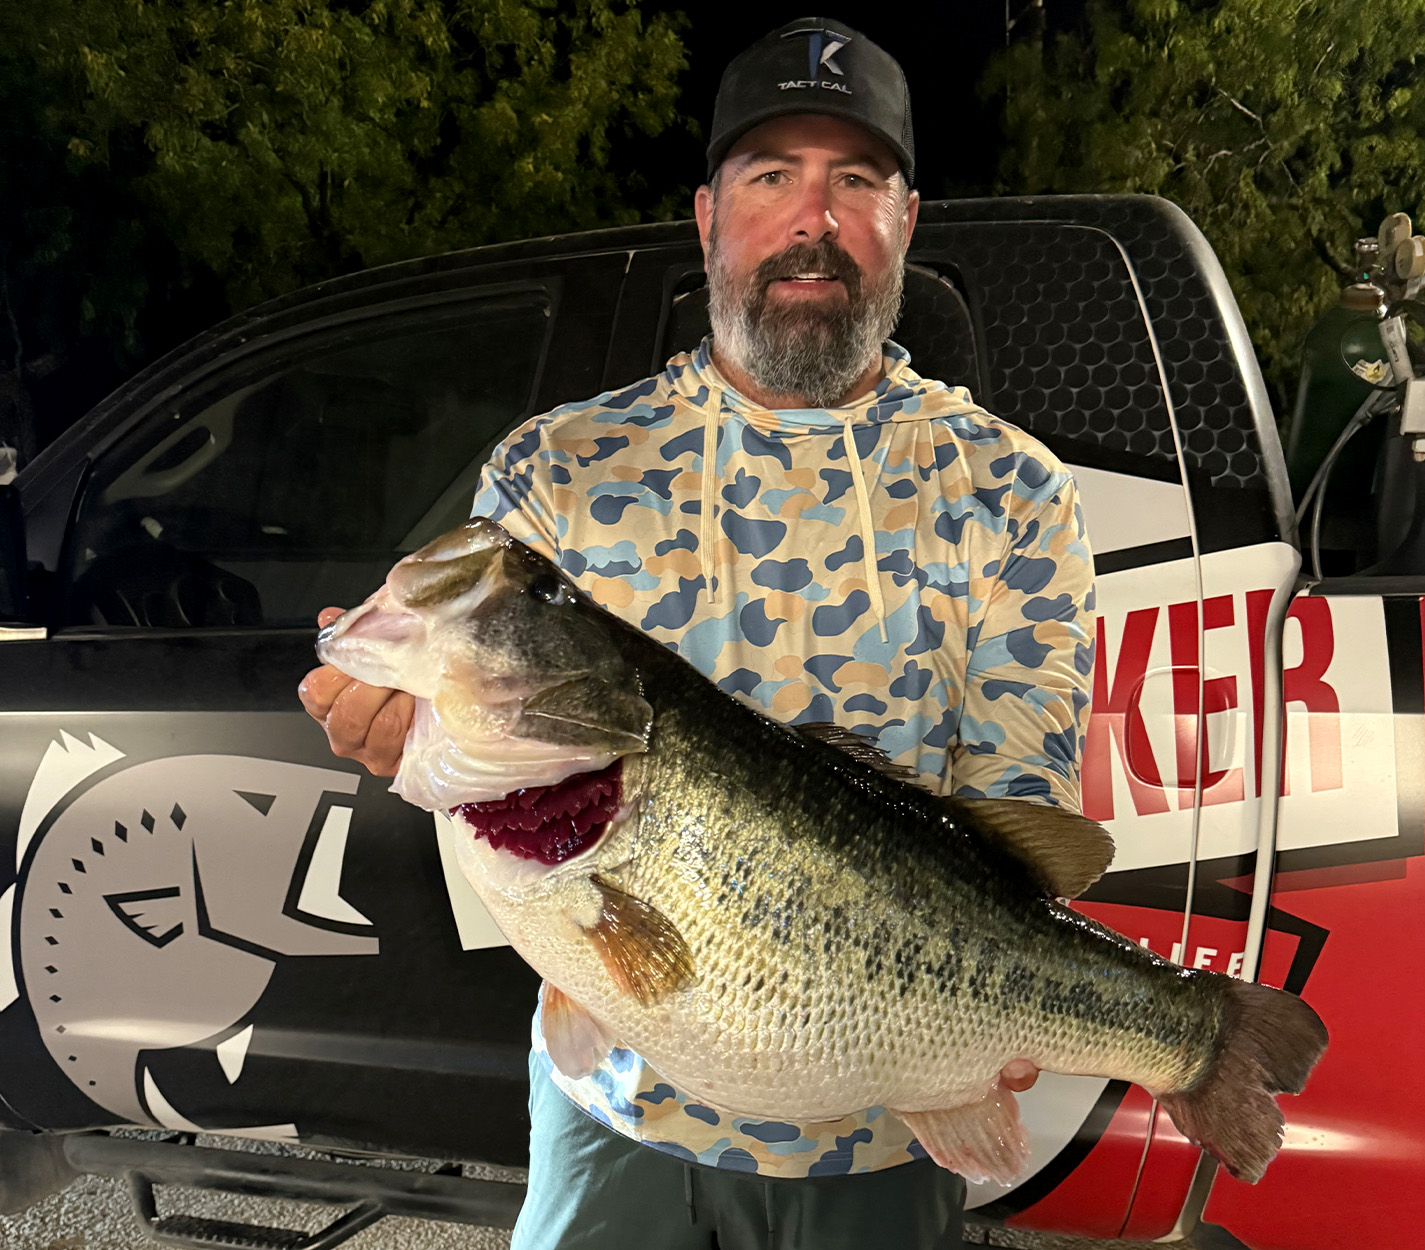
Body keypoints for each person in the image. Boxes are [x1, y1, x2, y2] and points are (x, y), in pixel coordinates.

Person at [301, 18, 1094, 1249]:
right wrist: (403, 733)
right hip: (612, 1109)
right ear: (709, 214)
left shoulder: (1013, 491)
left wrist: (1006, 1003)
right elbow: (491, 760)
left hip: (878, 1133)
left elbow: (1016, 800)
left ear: (907, 221)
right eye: (771, 175)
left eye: (857, 181)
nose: (811, 219)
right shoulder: (558, 470)